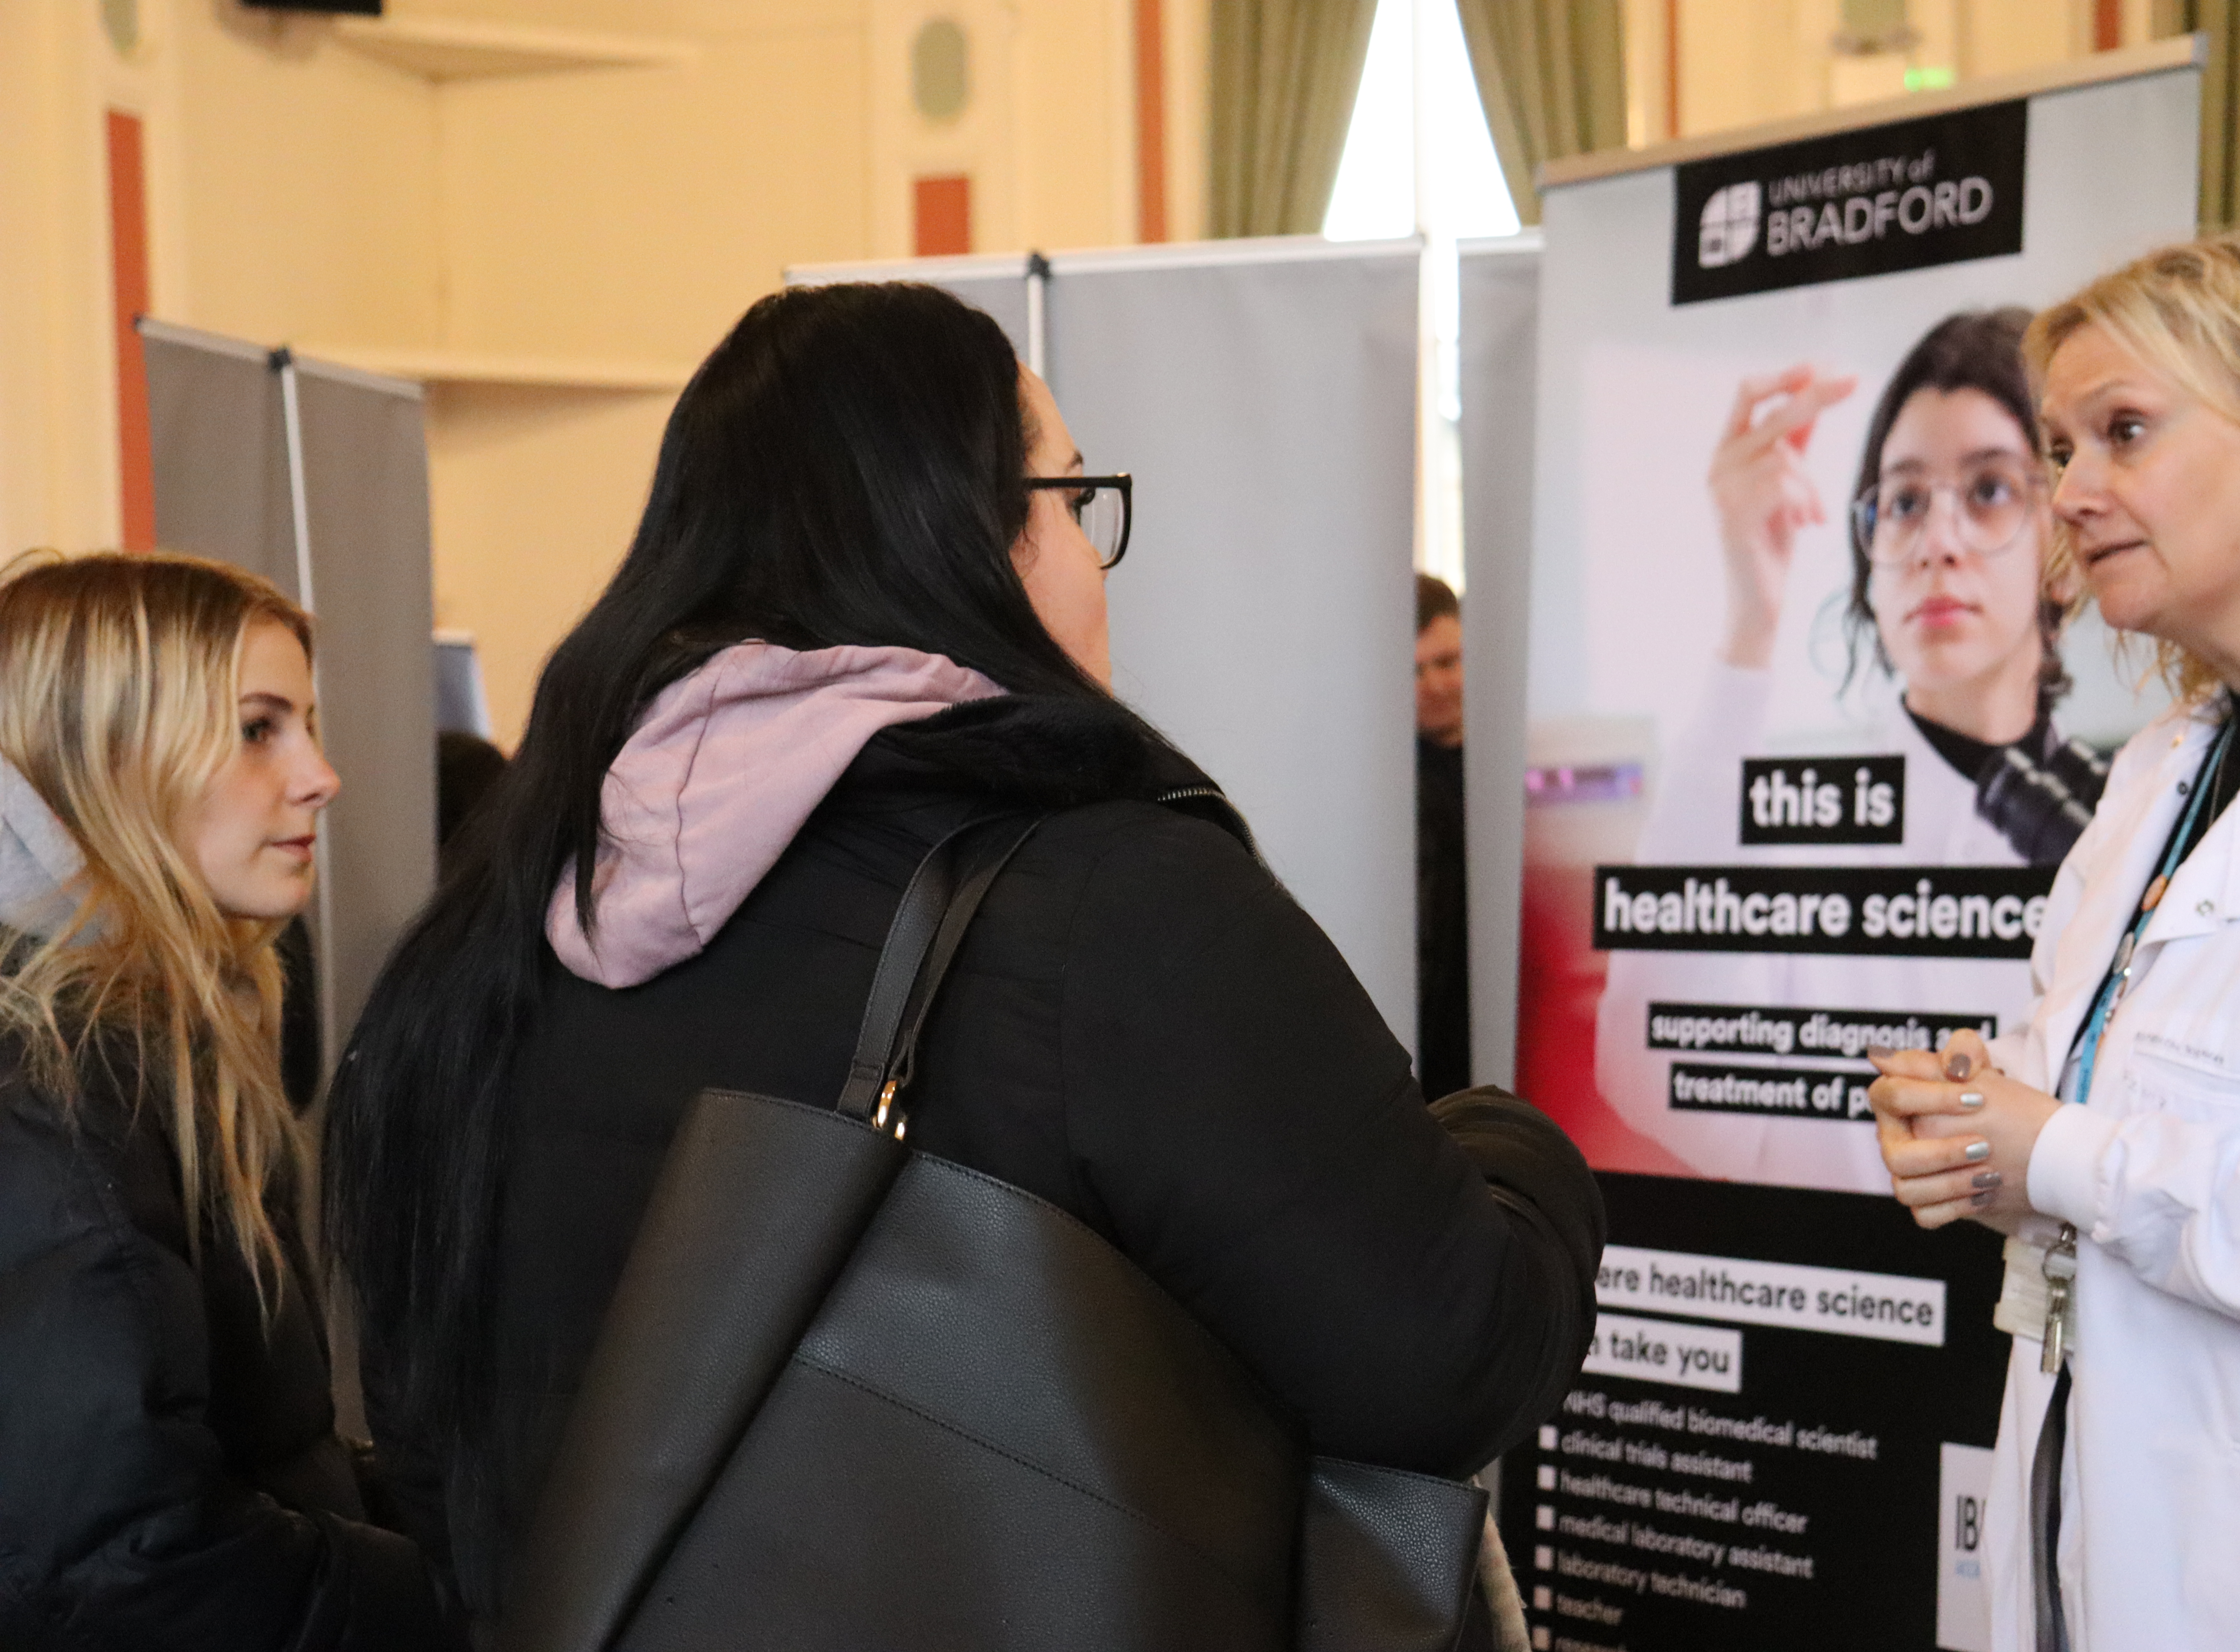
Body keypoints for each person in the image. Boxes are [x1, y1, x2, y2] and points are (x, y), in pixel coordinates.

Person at [324, 282, 1605, 1632]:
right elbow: (1455, 1359)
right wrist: (1515, 1147)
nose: (1091, 555)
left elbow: (421, 1430)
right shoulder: (1116, 907)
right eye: (1067, 494)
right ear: (965, 539)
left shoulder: (484, 929)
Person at [1870, 233, 2240, 1648]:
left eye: (2124, 432)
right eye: (2064, 446)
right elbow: (2103, 1096)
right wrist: (1977, 1127)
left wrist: (2062, 1154)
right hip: (2111, 1551)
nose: (2069, 494)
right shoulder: (2159, 769)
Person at [0, 552, 463, 1651]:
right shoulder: (56, 1079)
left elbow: (256, 1448)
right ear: (109, 756)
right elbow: (128, 1556)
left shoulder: (155, 1039)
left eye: (304, 723)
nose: (320, 775)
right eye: (260, 728)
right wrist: (451, 1605)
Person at [1598, 309, 2094, 1192]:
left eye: (1987, 490)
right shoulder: (1797, 821)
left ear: (2061, 547)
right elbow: (1644, 1069)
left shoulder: (2124, 818)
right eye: (1904, 501)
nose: (1938, 542)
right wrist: (1751, 620)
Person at [1416, 572, 1471, 1098]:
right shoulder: (1382, 798)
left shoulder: (1517, 777)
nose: (1435, 685)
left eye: (1448, 663)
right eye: (1416, 670)